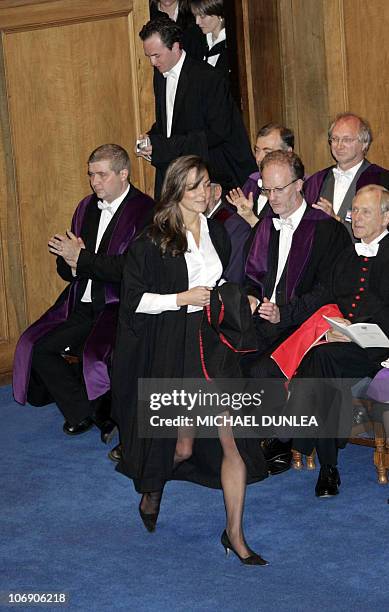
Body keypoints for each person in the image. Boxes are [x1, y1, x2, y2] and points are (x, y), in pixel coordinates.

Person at [111, 155, 268, 565]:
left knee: (233, 442)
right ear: (176, 188)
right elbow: (134, 303)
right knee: (180, 446)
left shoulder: (218, 230)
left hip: (214, 346)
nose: (204, 192)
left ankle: (234, 533)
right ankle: (154, 486)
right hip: (175, 347)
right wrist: (181, 298)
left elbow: (222, 282)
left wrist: (239, 298)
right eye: (194, 185)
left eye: (207, 183)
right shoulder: (152, 240)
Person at [13, 144, 154, 440]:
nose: (94, 182)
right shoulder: (86, 206)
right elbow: (67, 267)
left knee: (94, 356)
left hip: (119, 305)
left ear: (124, 174)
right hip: (81, 300)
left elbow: (130, 269)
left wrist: (81, 259)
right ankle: (88, 412)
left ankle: (92, 411)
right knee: (38, 347)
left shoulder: (145, 210)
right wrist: (71, 262)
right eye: (91, 175)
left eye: (102, 175)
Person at [240, 150, 350, 474]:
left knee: (263, 370)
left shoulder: (327, 231)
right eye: (266, 190)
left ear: (299, 185)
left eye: (279, 189)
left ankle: (279, 442)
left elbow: (327, 293)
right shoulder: (264, 226)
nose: (271, 198)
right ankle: (241, 441)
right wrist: (248, 298)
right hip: (264, 318)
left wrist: (284, 314)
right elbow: (248, 277)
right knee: (226, 355)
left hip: (304, 325)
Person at [286, 184, 389, 496]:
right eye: (354, 210)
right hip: (344, 344)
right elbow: (324, 295)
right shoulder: (347, 253)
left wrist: (353, 329)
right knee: (324, 360)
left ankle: (296, 440)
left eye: (364, 211)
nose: (355, 217)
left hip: (380, 346)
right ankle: (328, 465)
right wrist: (291, 314)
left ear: (386, 218)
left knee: (320, 358)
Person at [137, 17, 256, 198]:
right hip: (175, 174)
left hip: (211, 177)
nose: (152, 62)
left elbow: (218, 133)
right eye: (149, 56)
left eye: (156, 55)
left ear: (176, 47)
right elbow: (170, 121)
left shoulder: (209, 78)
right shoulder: (159, 75)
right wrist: (151, 138)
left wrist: (166, 147)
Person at [304, 113, 389, 233]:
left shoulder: (383, 180)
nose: (339, 146)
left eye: (347, 140)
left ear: (364, 143)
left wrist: (336, 221)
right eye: (335, 139)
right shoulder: (316, 182)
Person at [228, 123, 294, 226]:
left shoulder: (298, 188)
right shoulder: (252, 183)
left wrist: (251, 218)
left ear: (288, 153)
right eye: (257, 151)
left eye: (267, 153)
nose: (258, 159)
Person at [206, 182, 251, 283]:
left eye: (204, 186)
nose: (197, 194)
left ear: (217, 192)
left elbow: (232, 278)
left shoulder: (234, 226)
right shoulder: (191, 221)